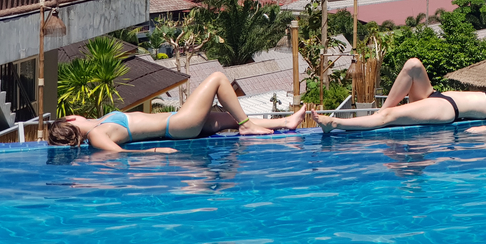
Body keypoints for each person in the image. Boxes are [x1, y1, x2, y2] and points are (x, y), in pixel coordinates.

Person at [48, 71, 307, 153]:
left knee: (229, 118)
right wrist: (156, 152)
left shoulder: (98, 126)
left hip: (180, 124)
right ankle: (247, 126)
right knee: (217, 78)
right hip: (179, 124)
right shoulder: (96, 135)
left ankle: (287, 121)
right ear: (71, 119)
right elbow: (121, 156)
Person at [314, 57, 486, 134]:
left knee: (390, 117)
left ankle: (335, 123)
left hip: (446, 109)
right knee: (413, 65)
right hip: (436, 96)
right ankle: (379, 113)